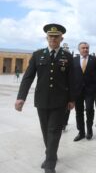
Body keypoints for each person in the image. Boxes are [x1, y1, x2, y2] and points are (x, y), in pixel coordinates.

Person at [15, 23, 75, 173]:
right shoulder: (37, 55)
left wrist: (72, 99)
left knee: (54, 130)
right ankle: (51, 153)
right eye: (51, 36)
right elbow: (28, 77)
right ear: (46, 37)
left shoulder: (67, 56)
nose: (53, 39)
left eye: (56, 36)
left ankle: (50, 164)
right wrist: (21, 97)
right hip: (41, 100)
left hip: (60, 101)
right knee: (45, 131)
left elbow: (72, 79)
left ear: (62, 38)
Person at [72, 42, 96, 142]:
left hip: (90, 90)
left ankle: (89, 130)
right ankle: (81, 132)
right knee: (78, 112)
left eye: (87, 48)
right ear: (79, 49)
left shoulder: (94, 60)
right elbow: (71, 76)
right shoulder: (73, 60)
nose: (85, 50)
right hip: (77, 91)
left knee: (89, 110)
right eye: (83, 48)